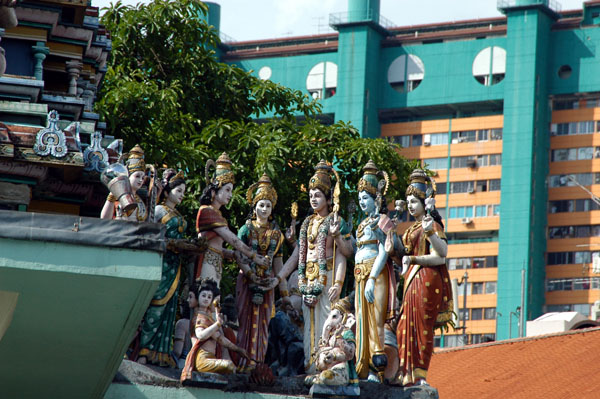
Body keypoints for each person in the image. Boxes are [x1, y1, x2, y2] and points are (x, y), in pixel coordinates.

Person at [286, 160, 353, 373]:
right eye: (311, 196)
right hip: (308, 278)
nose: (314, 199)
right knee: (309, 325)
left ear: (327, 198)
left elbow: (344, 255)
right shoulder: (307, 223)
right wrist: (282, 274)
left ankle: (324, 366)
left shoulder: (336, 221)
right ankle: (310, 366)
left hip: (328, 276)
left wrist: (338, 283)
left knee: (326, 322)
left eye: (318, 195)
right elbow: (301, 254)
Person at [395, 169, 453, 386]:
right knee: (404, 326)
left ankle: (419, 375)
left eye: (414, 202)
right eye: (408, 202)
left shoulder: (431, 224)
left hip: (426, 280)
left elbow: (442, 255)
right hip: (411, 281)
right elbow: (402, 256)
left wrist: (428, 236)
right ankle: (405, 373)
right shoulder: (411, 228)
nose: (410, 206)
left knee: (421, 326)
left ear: (424, 202)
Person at [234, 174, 293, 371]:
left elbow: (278, 263)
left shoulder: (277, 235)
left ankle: (258, 363)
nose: (264, 209)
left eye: (268, 205)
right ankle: (243, 362)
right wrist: (251, 275)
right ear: (254, 206)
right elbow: (239, 256)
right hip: (247, 280)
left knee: (263, 324)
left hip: (267, 283)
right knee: (246, 321)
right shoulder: (245, 229)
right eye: (261, 205)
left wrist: (284, 294)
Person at [137, 169, 187, 367]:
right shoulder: (159, 211)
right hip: (162, 262)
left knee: (169, 309)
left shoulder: (177, 214)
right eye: (179, 191)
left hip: (175, 265)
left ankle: (160, 354)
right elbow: (149, 233)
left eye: (184, 191)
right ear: (167, 192)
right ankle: (143, 351)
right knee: (155, 305)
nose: (182, 194)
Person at [195, 152, 268, 286]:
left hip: (215, 261)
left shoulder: (217, 214)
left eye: (231, 191)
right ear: (214, 190)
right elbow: (233, 240)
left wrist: (233, 254)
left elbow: (218, 246)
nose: (230, 195)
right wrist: (254, 256)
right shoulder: (207, 211)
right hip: (207, 261)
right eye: (227, 190)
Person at [353, 160, 396, 382]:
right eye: (359, 198)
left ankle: (378, 371)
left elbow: (384, 251)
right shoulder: (361, 225)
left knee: (375, 321)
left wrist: (371, 278)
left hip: (375, 275)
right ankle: (364, 365)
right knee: (361, 320)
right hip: (360, 275)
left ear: (376, 199)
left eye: (366, 198)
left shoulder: (383, 221)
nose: (362, 202)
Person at [180, 279, 249, 381]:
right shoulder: (198, 317)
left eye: (209, 297)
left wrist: (238, 350)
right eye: (203, 296)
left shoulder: (208, 318)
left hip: (211, 358)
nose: (206, 299)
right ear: (198, 297)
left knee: (232, 367)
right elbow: (201, 335)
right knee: (229, 366)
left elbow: (220, 339)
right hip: (201, 359)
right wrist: (217, 324)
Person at [305, 297, 358, 387]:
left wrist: (334, 355)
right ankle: (319, 379)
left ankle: (322, 380)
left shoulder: (346, 333)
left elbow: (351, 353)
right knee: (308, 380)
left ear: (344, 318)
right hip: (325, 368)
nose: (329, 321)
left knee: (326, 377)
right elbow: (321, 349)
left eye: (334, 317)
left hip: (340, 369)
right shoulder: (329, 335)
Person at [100, 144, 148, 221]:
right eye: (137, 176)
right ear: (128, 176)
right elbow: (104, 219)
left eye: (143, 177)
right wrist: (112, 195)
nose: (141, 180)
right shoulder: (117, 196)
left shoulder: (139, 200)